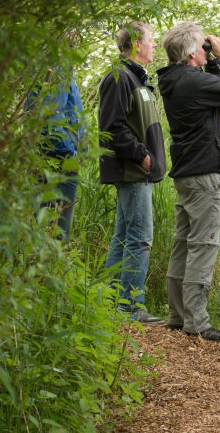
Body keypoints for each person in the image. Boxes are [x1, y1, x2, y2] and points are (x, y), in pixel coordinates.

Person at [157, 22, 220, 342]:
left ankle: (178, 314)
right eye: (203, 47)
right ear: (193, 53)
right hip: (204, 176)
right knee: (203, 245)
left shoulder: (176, 79)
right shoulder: (192, 82)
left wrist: (211, 64)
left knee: (183, 243)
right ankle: (197, 320)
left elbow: (217, 90)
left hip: (187, 172)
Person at [99, 22, 166, 324]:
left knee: (124, 235)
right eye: (151, 40)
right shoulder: (119, 78)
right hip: (132, 170)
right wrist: (143, 157)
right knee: (139, 237)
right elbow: (112, 127)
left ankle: (108, 302)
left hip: (138, 170)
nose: (155, 45)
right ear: (137, 43)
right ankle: (129, 305)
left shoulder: (137, 79)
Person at [26, 32, 85, 243]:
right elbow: (51, 122)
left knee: (48, 231)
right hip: (58, 164)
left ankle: (41, 272)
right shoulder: (56, 71)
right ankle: (44, 274)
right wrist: (70, 155)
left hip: (56, 161)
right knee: (54, 234)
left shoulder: (57, 72)